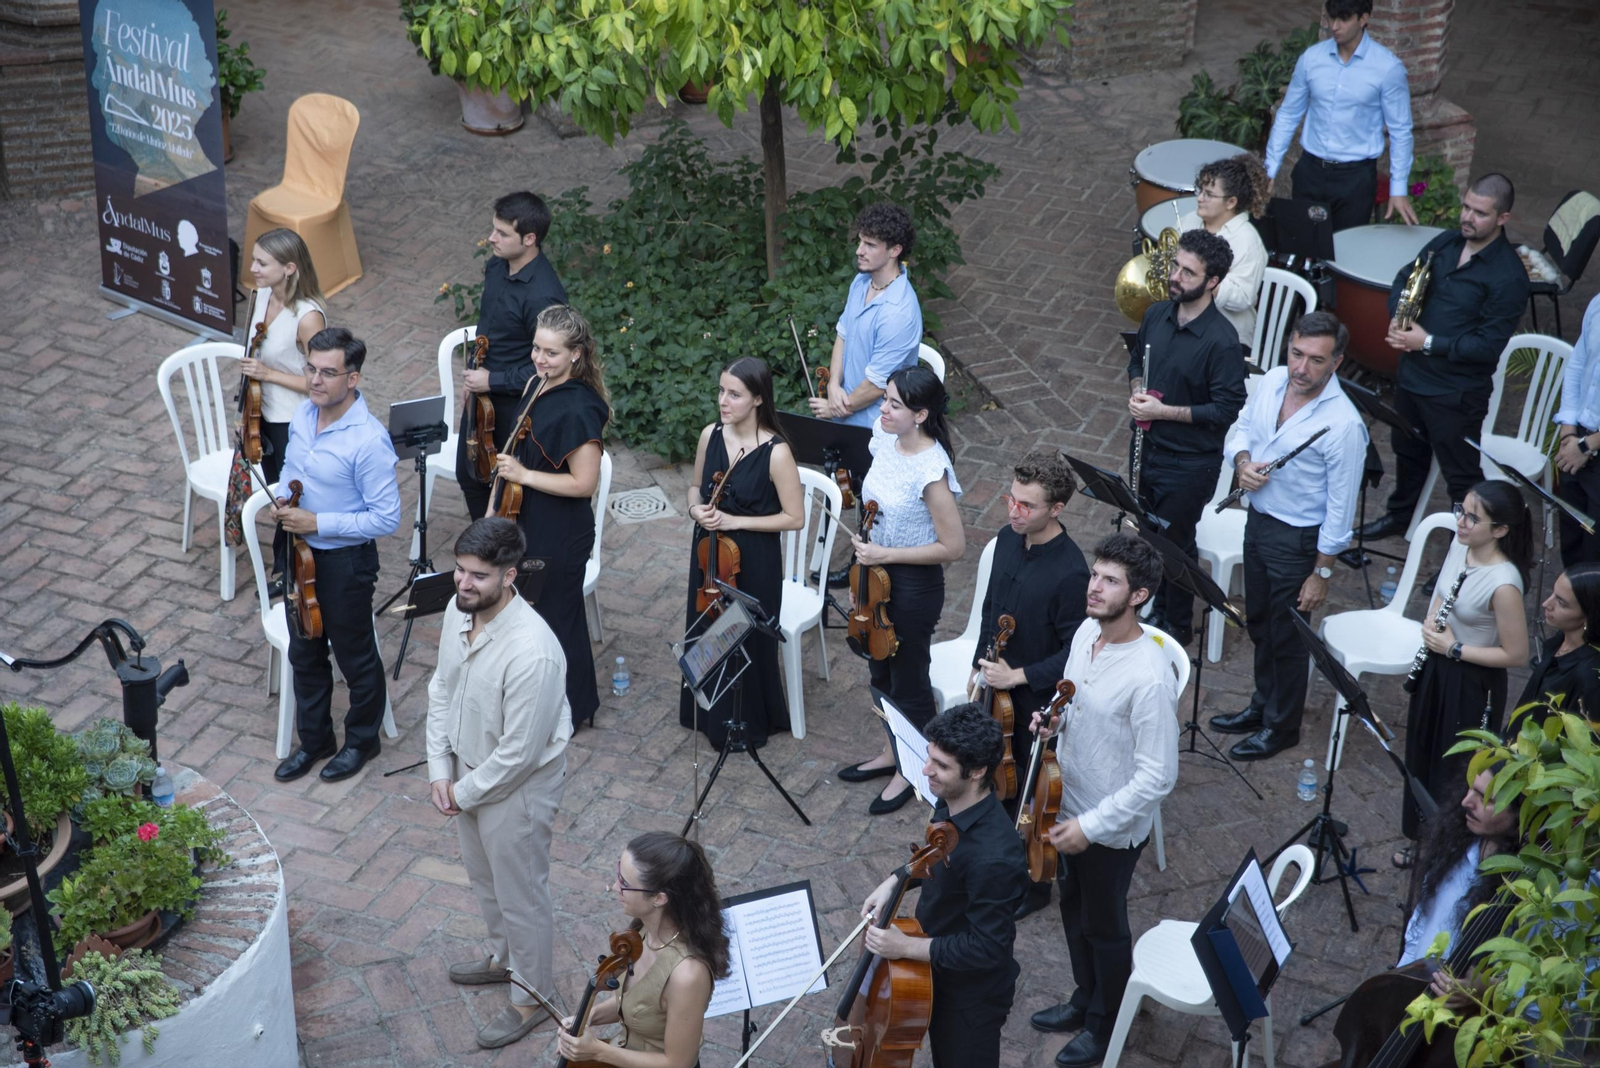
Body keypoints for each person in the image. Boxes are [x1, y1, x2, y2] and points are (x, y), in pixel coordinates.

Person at [1029, 533, 1179, 1067]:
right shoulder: (1085, 633)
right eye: (1095, 574)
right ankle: (1086, 997)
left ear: (1137, 596)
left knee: (1105, 925)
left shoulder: (1148, 676)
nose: (1094, 587)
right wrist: (1051, 719)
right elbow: (1071, 698)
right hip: (1064, 805)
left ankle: (1106, 1023)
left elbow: (1158, 776)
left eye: (1110, 581)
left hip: (1108, 827)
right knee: (1073, 911)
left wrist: (1091, 826)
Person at [427, 518, 572, 1050]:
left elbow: (519, 754)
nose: (464, 584)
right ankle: (505, 959)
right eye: (460, 571)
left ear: (510, 576)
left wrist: (460, 793)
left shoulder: (534, 652)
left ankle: (532, 996)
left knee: (522, 894)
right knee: (485, 878)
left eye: (478, 577)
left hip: (519, 787)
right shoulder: (455, 608)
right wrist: (441, 771)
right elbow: (441, 688)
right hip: (468, 771)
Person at [1207, 312, 1369, 761]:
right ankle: (1262, 707)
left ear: (1336, 363)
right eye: (1297, 354)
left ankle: (1282, 727)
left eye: (1316, 360)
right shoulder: (1274, 380)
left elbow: (1340, 508)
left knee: (1289, 636)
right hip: (1258, 521)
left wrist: (1322, 573)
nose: (1302, 368)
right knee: (1260, 622)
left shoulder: (1343, 425)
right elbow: (1241, 426)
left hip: (1299, 540)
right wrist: (1242, 461)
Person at [1359, 174, 1533, 541]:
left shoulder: (1508, 277)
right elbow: (1406, 277)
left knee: (1462, 477)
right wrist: (1398, 314)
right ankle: (1400, 517)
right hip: (1412, 378)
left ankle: (1466, 548)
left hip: (1455, 394)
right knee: (1407, 452)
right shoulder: (1447, 242)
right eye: (1466, 207)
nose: (1467, 217)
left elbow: (1487, 346)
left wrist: (1427, 342)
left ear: (1503, 218)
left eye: (1480, 213)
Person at [857, 704, 1029, 1068]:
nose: (925, 771)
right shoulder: (950, 801)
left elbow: (987, 948)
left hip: (969, 1000)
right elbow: (935, 859)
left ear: (978, 771)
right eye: (929, 757)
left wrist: (905, 946)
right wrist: (897, 878)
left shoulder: (994, 860)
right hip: (935, 968)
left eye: (941, 766)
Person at [272, 328, 401, 783]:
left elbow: (386, 518)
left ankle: (363, 742)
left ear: (353, 379)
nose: (315, 381)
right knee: (304, 652)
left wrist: (319, 523)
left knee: (355, 656)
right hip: (298, 553)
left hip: (345, 563)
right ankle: (315, 741)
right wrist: (282, 499)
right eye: (311, 369)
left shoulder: (368, 441)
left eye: (329, 373)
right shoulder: (303, 417)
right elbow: (291, 471)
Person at [835, 366, 964, 815]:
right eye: (884, 399)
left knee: (908, 682)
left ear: (921, 414)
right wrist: (860, 572)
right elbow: (873, 517)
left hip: (913, 586)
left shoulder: (931, 469)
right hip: (875, 571)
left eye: (893, 404)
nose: (882, 409)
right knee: (878, 671)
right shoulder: (883, 436)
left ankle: (913, 771)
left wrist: (882, 559)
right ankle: (894, 750)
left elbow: (953, 547)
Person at [966, 448, 1089, 918]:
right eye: (1011, 500)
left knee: (1026, 794)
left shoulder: (1072, 572)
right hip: (995, 691)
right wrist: (981, 662)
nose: (1014, 512)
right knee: (993, 778)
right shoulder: (1005, 537)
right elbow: (991, 608)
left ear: (1056, 509)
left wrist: (1016, 674)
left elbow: (1073, 654)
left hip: (1036, 704)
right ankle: (996, 860)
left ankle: (1034, 886)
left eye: (1027, 506)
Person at [1127, 228, 1248, 645]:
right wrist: (1137, 391)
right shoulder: (1156, 314)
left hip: (1189, 463)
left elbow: (1226, 410)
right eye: (1176, 266)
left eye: (1187, 272)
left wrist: (1163, 412)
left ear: (1212, 282)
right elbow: (1135, 362)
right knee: (1146, 533)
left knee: (1174, 544)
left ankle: (1176, 623)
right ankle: (1146, 603)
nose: (1175, 276)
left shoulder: (1222, 343)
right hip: (1146, 448)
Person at [1397, 480, 1530, 852]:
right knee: (1421, 752)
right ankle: (1419, 837)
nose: (1462, 522)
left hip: (1472, 680)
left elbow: (1516, 654)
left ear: (1500, 530)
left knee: (1452, 769)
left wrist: (1454, 648)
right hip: (1438, 666)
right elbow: (1443, 590)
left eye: (1474, 518)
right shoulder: (1461, 545)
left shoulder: (1504, 583)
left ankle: (1444, 845)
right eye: (1462, 511)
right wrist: (1434, 620)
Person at [493, 304, 609, 728]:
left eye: (552, 353)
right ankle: (536, 704)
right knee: (529, 615)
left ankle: (575, 710)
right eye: (537, 348)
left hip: (560, 530)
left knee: (557, 620)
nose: (541, 359)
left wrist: (525, 474)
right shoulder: (536, 383)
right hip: (527, 516)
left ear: (576, 354)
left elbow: (584, 484)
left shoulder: (578, 409)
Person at [678, 357, 804, 748]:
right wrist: (696, 509)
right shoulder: (710, 435)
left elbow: (794, 518)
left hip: (754, 559)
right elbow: (696, 488)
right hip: (710, 555)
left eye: (734, 394)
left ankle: (746, 721)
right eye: (721, 391)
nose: (723, 401)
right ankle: (707, 713)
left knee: (745, 639)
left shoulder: (777, 452)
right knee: (706, 629)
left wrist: (736, 522)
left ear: (758, 400)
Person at [556, 833, 730, 1068]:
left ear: (659, 898)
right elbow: (634, 1004)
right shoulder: (642, 932)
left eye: (625, 884)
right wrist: (585, 1018)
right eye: (619, 873)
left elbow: (678, 1063)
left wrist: (597, 1051)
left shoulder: (687, 975)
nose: (615, 887)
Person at [457, 191, 569, 520]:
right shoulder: (497, 265)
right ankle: (485, 545)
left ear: (530, 239)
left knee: (501, 487)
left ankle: (496, 552)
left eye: (502, 233)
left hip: (515, 405)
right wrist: (473, 374)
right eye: (493, 229)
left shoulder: (543, 296)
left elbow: (551, 369)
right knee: (469, 475)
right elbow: (490, 328)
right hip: (483, 393)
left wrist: (491, 379)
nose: (491, 238)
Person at [1263, 0, 1418, 230]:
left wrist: (1398, 189)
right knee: (1301, 247)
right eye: (1332, 17)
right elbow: (1288, 114)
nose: (1335, 26)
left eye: (1343, 19)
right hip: (1310, 170)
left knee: (1345, 255)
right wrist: (1270, 169)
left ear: (1363, 19)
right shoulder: (1311, 59)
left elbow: (1401, 131)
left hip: (1355, 178)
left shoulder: (1387, 68)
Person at [238, 228, 328, 586]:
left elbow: (321, 381)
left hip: (292, 419)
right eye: (254, 259)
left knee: (289, 494)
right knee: (277, 489)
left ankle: (289, 569)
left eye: (263, 262)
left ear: (289, 268)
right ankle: (285, 563)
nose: (254, 268)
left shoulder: (308, 318)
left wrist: (268, 373)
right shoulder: (260, 296)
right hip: (261, 413)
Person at [807, 202, 923, 428]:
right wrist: (832, 385)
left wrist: (834, 408)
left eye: (870, 245)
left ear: (894, 251)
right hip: (844, 406)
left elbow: (876, 386)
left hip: (878, 427)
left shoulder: (898, 314)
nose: (859, 250)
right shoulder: (861, 282)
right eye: (860, 241)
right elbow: (843, 333)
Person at [1175, 154, 1271, 358]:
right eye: (1200, 190)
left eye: (1209, 194)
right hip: (1183, 323)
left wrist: (1202, 280)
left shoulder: (1247, 242)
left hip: (1226, 340)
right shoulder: (1188, 221)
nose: (1200, 198)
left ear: (1231, 202)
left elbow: (1244, 298)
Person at [1512, 564, 1600, 724]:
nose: (1546, 604)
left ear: (1588, 616)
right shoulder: (1558, 641)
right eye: (1553, 593)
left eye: (1561, 603)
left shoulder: (1589, 677)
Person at [1553, 294, 1600, 567]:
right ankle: (1570, 603)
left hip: (1589, 445)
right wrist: (1569, 429)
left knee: (1595, 552)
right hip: (1578, 439)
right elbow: (1578, 364)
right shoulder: (1597, 302)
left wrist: (1588, 444)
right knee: (1572, 536)